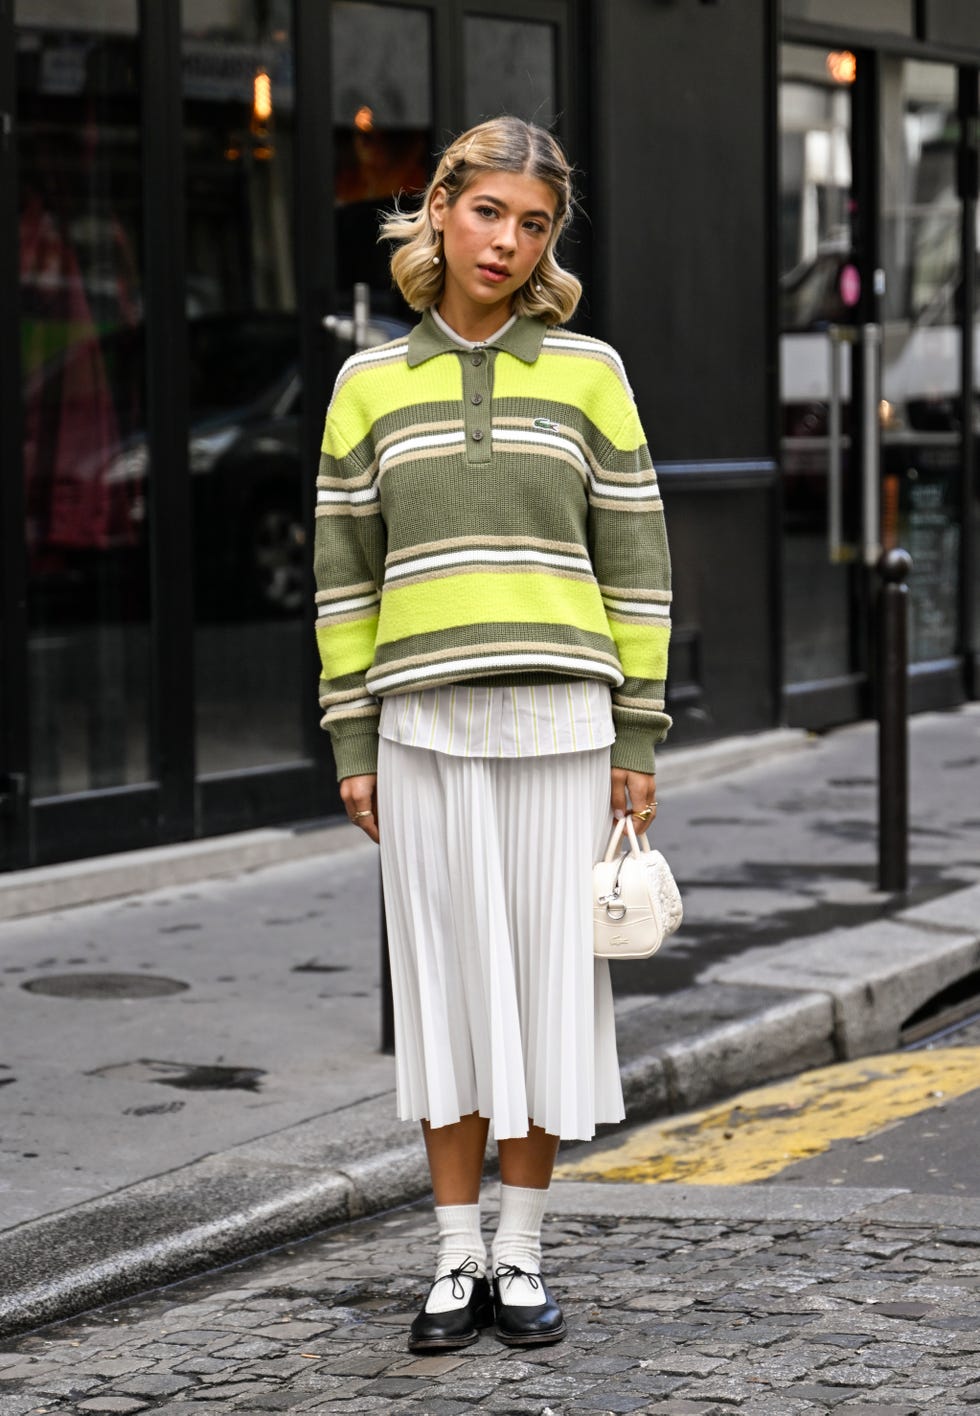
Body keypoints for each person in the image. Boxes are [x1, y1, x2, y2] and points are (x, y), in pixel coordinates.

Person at [314, 116, 671, 1353]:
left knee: (546, 996)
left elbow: (636, 564)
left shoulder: (589, 373)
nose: (507, 244)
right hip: (420, 735)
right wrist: (351, 742)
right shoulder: (366, 384)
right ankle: (451, 1257)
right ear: (438, 210)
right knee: (447, 999)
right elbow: (342, 581)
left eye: (532, 226)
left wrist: (638, 730)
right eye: (487, 214)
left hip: (565, 729)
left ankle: (519, 1255)